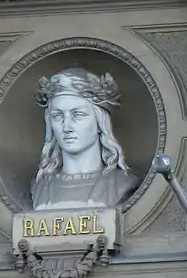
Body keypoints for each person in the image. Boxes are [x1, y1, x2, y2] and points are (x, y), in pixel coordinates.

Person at [29, 68, 138, 210]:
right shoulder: (40, 187)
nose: (66, 127)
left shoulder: (121, 185)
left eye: (78, 115)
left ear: (100, 122)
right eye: (58, 116)